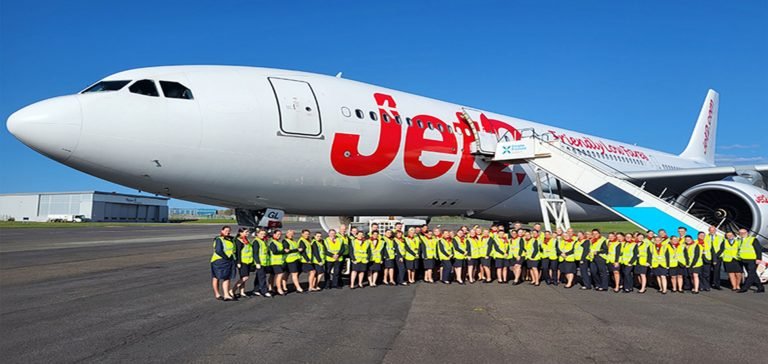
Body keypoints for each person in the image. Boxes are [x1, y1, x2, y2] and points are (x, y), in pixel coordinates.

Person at [210, 226, 236, 301]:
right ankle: (218, 294)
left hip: (228, 260)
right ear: (222, 231)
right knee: (217, 277)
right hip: (220, 260)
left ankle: (226, 294)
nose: (227, 232)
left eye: (229, 231)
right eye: (226, 230)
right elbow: (218, 250)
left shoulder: (230, 239)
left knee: (226, 277)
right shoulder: (219, 239)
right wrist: (226, 257)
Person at [736, 229, 765, 293]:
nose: (742, 234)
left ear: (747, 233)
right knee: (753, 274)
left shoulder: (753, 239)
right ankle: (760, 287)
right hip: (743, 259)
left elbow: (758, 249)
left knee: (751, 274)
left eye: (743, 232)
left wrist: (759, 258)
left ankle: (745, 288)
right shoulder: (739, 240)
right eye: (740, 232)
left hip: (752, 259)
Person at [233, 228, 254, 298]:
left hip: (248, 261)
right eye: (246, 232)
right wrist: (238, 262)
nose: (248, 233)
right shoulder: (238, 240)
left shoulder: (245, 239)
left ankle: (242, 292)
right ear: (240, 233)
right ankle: (232, 291)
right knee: (245, 277)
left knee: (243, 277)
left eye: (248, 232)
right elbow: (238, 252)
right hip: (242, 262)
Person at [251, 229, 272, 297]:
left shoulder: (262, 241)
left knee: (259, 276)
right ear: (257, 234)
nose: (263, 235)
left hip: (264, 262)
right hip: (260, 262)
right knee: (262, 277)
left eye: (264, 234)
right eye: (261, 234)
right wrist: (257, 263)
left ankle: (256, 290)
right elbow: (255, 253)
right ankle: (264, 291)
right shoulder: (256, 242)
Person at [268, 230, 288, 296]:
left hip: (279, 261)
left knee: (272, 275)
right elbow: (274, 251)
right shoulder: (272, 242)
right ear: (273, 234)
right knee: (280, 274)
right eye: (277, 234)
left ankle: (271, 287)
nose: (279, 236)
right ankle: (279, 289)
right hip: (274, 262)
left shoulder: (278, 242)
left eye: (280, 234)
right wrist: (284, 251)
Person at [704, 226, 724, 290]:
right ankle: (708, 284)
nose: (712, 231)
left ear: (715, 230)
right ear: (709, 231)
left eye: (713, 230)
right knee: (707, 271)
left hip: (717, 256)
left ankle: (717, 285)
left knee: (716, 271)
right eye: (711, 230)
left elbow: (722, 247)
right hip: (708, 256)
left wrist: (717, 255)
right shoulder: (705, 237)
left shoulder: (721, 238)